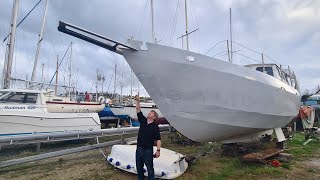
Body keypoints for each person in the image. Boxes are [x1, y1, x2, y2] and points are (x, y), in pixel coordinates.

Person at [135, 94, 161, 180]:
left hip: (148, 150)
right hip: (139, 149)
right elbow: (138, 109)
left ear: (154, 117)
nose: (148, 113)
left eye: (150, 113)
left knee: (150, 169)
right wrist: (138, 101)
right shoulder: (143, 120)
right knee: (139, 169)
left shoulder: (155, 127)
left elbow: (158, 139)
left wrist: (158, 150)